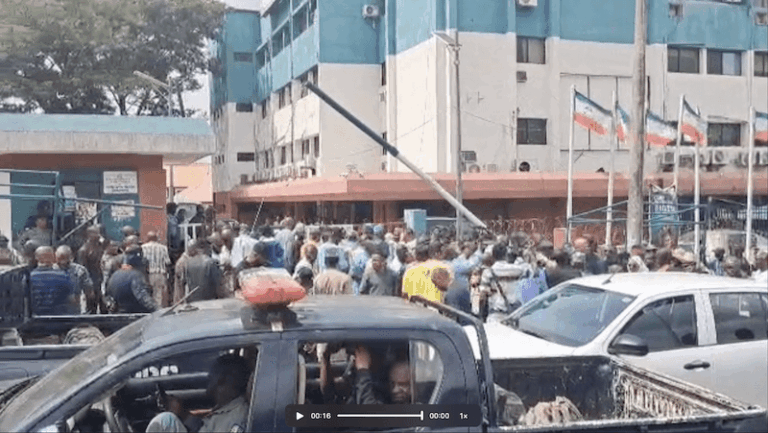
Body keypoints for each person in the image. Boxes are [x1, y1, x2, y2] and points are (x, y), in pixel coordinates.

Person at [146, 354, 250, 433]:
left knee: (166, 421)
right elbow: (204, 427)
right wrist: (184, 414)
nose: (209, 377)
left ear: (222, 380)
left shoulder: (236, 418)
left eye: (213, 374)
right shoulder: (226, 407)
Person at [30, 246, 77, 315]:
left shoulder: (29, 277)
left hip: (36, 318)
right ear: (53, 257)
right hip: (58, 318)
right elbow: (72, 300)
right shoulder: (63, 276)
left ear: (36, 258)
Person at [55, 245, 94, 314]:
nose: (63, 262)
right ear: (55, 258)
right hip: (55, 309)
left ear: (71, 257)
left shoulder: (80, 271)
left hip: (74, 308)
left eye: (65, 259)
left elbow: (89, 291)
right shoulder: (51, 271)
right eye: (60, 259)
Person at [77, 226, 105, 312]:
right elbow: (82, 268)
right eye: (95, 233)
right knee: (92, 305)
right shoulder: (84, 250)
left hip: (100, 278)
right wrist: (88, 285)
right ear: (89, 234)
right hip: (91, 279)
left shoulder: (100, 246)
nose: (98, 235)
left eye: (98, 232)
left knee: (103, 304)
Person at [142, 231, 173, 308]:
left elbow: (142, 262)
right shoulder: (163, 248)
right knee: (158, 295)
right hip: (160, 273)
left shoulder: (143, 247)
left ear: (147, 238)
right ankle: (157, 310)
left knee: (147, 294)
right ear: (156, 238)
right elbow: (167, 262)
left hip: (147, 274)